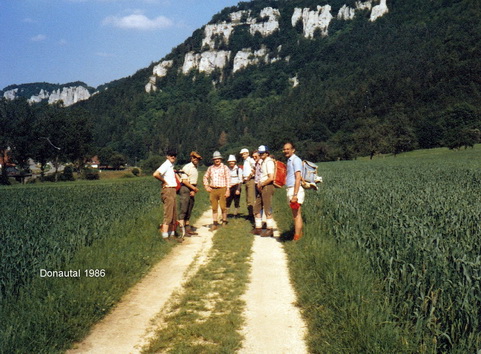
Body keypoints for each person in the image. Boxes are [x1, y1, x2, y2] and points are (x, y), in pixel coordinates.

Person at [153, 149, 182, 242]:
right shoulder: (166, 165)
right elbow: (156, 174)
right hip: (168, 190)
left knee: (174, 214)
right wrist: (164, 181)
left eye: (174, 155)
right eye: (171, 155)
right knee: (168, 213)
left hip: (173, 190)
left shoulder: (171, 166)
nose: (173, 156)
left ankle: (172, 234)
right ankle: (165, 236)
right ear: (167, 156)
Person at [203, 151, 230, 231]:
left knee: (223, 206)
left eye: (218, 159)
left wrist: (228, 190)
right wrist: (206, 186)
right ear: (213, 160)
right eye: (215, 159)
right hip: (213, 190)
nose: (217, 160)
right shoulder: (210, 168)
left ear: (221, 159)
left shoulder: (225, 167)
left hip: (222, 189)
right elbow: (205, 177)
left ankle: (224, 221)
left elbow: (228, 179)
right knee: (214, 207)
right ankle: (215, 223)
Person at [283, 142, 304, 241]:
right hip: (291, 189)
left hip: (295, 190)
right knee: (295, 214)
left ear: (293, 149)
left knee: (297, 214)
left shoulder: (296, 160)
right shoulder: (290, 160)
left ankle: (297, 237)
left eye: (288, 149)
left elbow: (298, 177)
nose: (286, 151)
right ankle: (298, 234)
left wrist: (295, 195)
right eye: (285, 149)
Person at [252, 145, 276, 237]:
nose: (261, 154)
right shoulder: (263, 162)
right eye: (260, 153)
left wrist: (261, 184)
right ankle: (258, 228)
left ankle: (270, 229)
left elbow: (271, 177)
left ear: (267, 153)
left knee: (267, 208)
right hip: (262, 186)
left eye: (263, 153)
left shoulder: (269, 162)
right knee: (257, 207)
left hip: (267, 186)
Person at [178, 151, 202, 236]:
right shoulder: (187, 167)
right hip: (185, 189)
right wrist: (194, 188)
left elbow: (193, 181)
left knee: (189, 208)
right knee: (184, 209)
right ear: (191, 158)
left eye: (198, 159)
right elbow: (184, 181)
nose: (196, 159)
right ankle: (182, 229)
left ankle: (187, 228)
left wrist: (193, 190)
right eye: (194, 158)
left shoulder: (195, 167)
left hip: (191, 189)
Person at [240, 148, 256, 220]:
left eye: (244, 154)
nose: (243, 155)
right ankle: (250, 213)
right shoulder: (245, 161)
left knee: (250, 197)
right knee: (247, 197)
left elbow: (255, 168)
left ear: (247, 153)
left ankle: (252, 215)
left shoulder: (250, 160)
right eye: (242, 154)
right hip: (246, 180)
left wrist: (249, 176)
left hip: (251, 180)